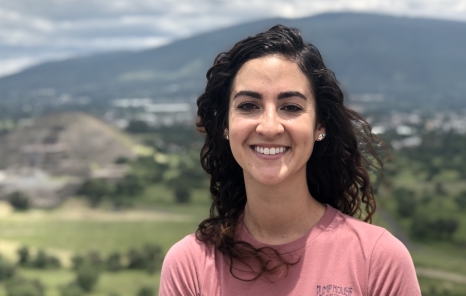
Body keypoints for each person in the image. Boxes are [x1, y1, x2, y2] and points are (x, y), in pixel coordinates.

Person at [159, 25, 421, 295]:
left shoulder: (378, 260)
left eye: (291, 107)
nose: (269, 127)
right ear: (225, 125)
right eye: (248, 105)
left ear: (319, 125)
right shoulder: (190, 264)